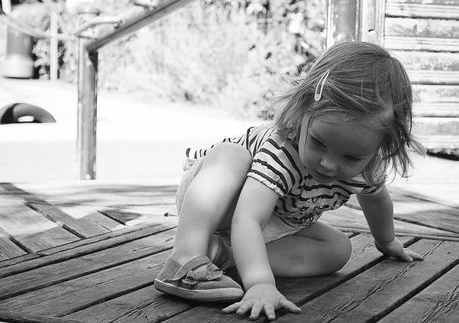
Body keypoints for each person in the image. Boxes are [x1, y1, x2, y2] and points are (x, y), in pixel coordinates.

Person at [154, 41, 425, 320]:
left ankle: (224, 256)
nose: (329, 164)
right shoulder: (283, 151)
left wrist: (387, 241)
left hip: (280, 219)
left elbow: (377, 200)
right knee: (231, 155)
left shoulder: (367, 167)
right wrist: (261, 284)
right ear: (302, 111)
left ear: (382, 145)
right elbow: (248, 219)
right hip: (220, 201)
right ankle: (185, 256)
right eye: (319, 143)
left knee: (338, 250)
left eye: (351, 157)